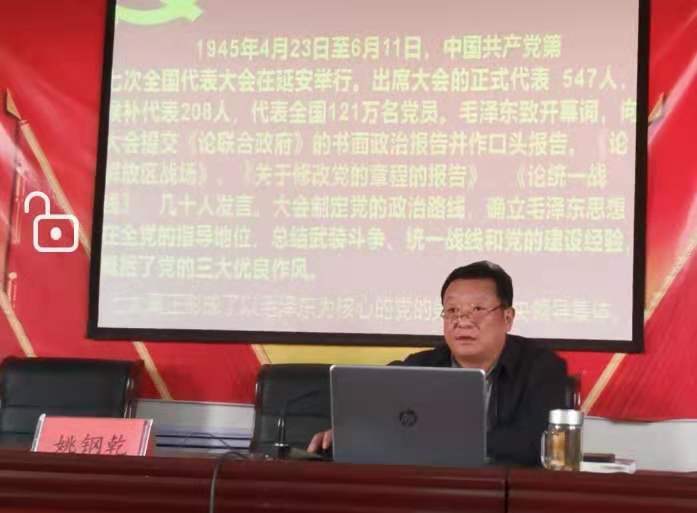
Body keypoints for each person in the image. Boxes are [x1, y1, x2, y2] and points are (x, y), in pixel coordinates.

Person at [307, 260, 569, 466]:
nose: (462, 321)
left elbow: (538, 443)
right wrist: (348, 433)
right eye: (452, 310)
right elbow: (375, 414)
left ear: (508, 318)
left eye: (477, 310)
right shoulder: (420, 366)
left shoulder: (542, 368)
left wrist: (439, 441)